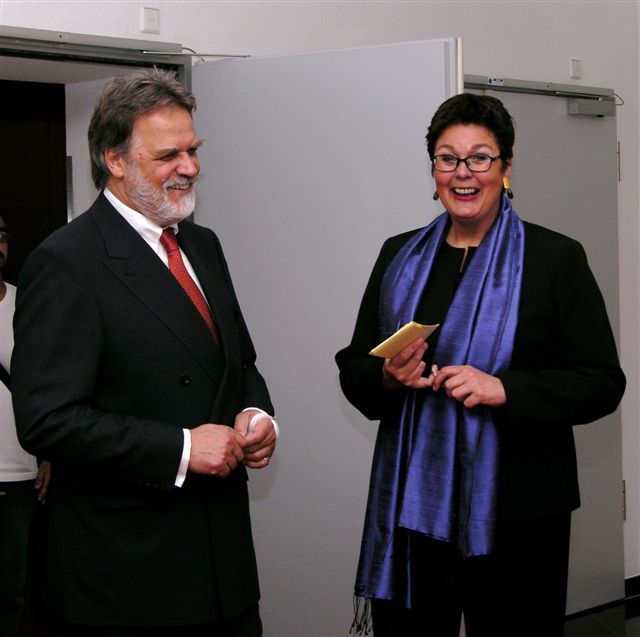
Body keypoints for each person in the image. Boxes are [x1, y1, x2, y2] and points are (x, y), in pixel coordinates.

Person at [335, 93, 625, 637]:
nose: (463, 173)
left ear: (506, 167)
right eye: (448, 158)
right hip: (414, 509)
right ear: (434, 171)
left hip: (520, 515)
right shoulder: (399, 255)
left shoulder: (555, 259)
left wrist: (505, 390)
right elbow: (354, 365)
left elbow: (602, 382)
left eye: (480, 158)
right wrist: (387, 377)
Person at [11, 69, 278, 637]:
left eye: (193, 150)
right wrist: (182, 447)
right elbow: (47, 420)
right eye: (168, 155)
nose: (190, 167)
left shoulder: (203, 245)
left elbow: (240, 364)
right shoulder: (66, 261)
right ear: (115, 159)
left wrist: (257, 415)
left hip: (224, 567)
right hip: (129, 579)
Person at [0, 210, 50, 637]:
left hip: (19, 477)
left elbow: (54, 387)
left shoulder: (28, 303)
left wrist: (51, 454)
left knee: (13, 595)